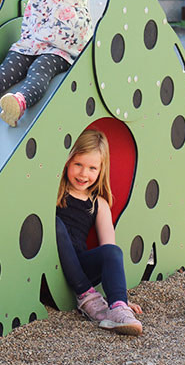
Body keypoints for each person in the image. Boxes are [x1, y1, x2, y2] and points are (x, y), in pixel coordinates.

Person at [56, 129, 143, 335]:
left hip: (80, 265)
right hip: (52, 262)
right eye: (78, 164)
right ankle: (88, 298)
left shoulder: (98, 203)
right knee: (55, 224)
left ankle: (118, 309)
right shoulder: (55, 192)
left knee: (112, 252)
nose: (83, 174)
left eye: (92, 168)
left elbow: (108, 249)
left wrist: (120, 295)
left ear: (101, 170)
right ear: (67, 161)